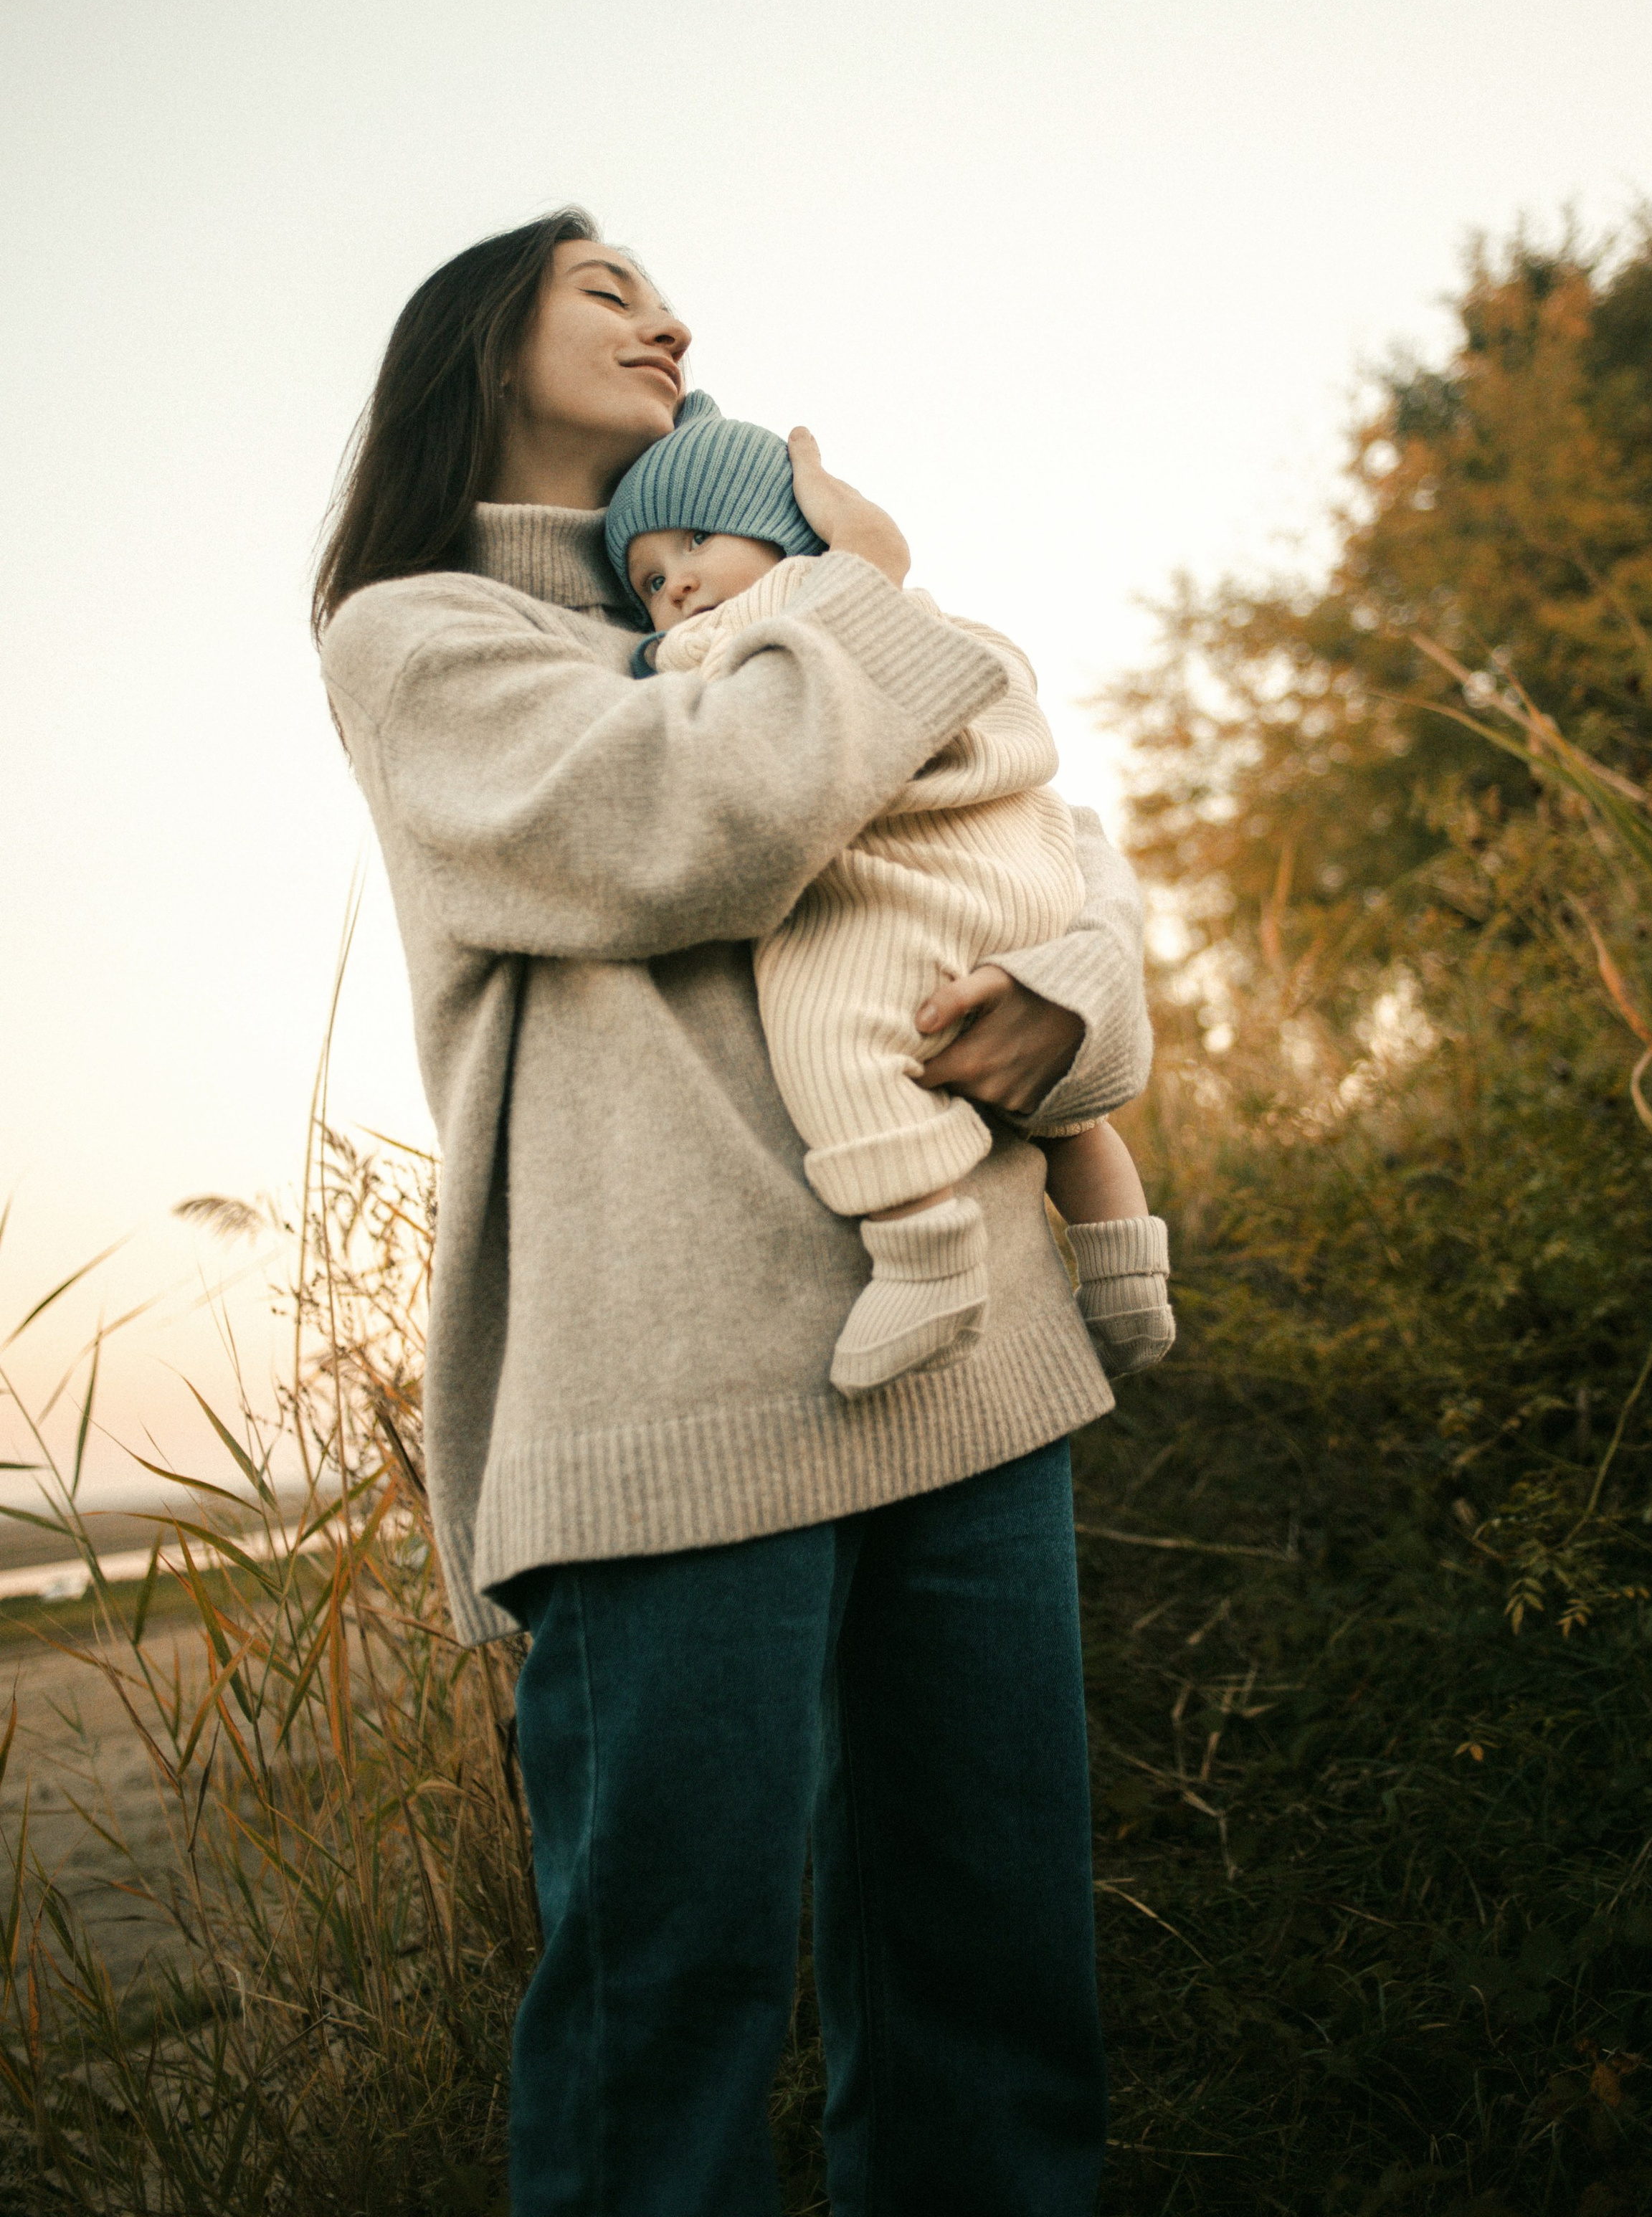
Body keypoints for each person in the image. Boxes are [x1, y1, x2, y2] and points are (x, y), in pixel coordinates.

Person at [313, 212, 1167, 2217]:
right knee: (662, 2038)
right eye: (606, 287)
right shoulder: (425, 640)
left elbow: (1042, 832)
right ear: (478, 345)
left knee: (992, 1999)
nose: (669, 316)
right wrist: (864, 583)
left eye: (665, 293)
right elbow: (697, 823)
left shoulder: (786, 603)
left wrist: (1080, 999)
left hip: (970, 1360)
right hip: (670, 1411)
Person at [604, 392, 1173, 1396]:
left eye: (696, 540)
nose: (678, 582)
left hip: (918, 876)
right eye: (649, 580)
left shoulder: (787, 604)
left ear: (782, 530)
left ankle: (926, 1258)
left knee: (836, 1032)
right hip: (1031, 869)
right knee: (1065, 1119)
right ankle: (1129, 1272)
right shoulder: (917, 606)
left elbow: (716, 694)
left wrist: (649, 654)